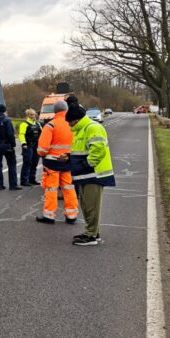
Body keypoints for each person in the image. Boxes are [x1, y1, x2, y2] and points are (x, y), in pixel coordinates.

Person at [67, 102, 114, 245]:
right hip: (86, 174)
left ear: (76, 119)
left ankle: (91, 236)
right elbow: (81, 151)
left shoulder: (92, 127)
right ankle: (92, 232)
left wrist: (85, 165)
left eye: (70, 122)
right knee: (87, 206)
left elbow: (98, 150)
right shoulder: (81, 130)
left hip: (94, 174)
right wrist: (68, 157)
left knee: (91, 206)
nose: (69, 125)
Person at [36, 100, 78, 224]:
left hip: (52, 163)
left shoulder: (50, 125)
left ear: (54, 111)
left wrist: (42, 153)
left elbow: (42, 149)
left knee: (51, 189)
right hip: (68, 161)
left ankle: (49, 216)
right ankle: (71, 216)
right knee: (69, 188)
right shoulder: (73, 124)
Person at [18, 108, 42, 187]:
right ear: (28, 115)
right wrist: (23, 143)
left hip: (36, 146)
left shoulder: (38, 124)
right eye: (31, 114)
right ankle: (24, 180)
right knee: (27, 163)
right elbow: (21, 134)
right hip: (28, 146)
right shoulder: (24, 124)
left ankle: (32, 179)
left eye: (34, 114)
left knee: (35, 162)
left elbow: (42, 134)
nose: (33, 116)